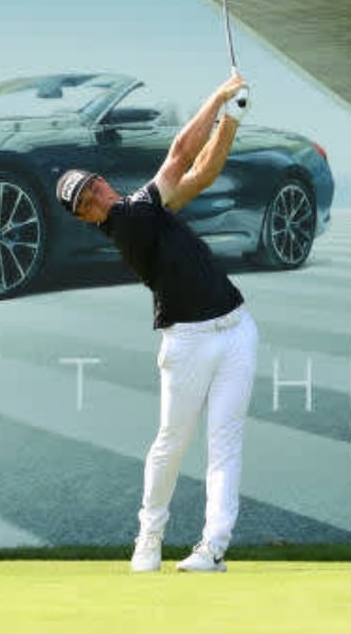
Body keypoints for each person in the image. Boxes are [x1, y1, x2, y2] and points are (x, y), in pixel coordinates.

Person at [56, 72, 256, 573]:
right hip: (187, 342)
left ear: (101, 181)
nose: (94, 198)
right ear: (86, 218)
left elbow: (202, 174)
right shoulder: (129, 221)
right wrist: (219, 94)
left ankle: (213, 547)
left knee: (225, 442)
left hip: (236, 329)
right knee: (172, 441)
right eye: (84, 204)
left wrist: (231, 119)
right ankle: (149, 537)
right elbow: (181, 153)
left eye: (91, 188)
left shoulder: (147, 208)